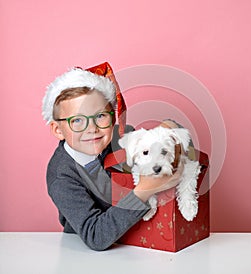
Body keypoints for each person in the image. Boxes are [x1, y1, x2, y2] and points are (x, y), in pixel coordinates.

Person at [42, 62, 182, 251]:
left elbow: (161, 137)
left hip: (139, 239)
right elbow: (95, 236)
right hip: (84, 253)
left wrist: (169, 127)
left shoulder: (121, 139)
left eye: (100, 116)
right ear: (58, 129)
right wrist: (143, 191)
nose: (92, 129)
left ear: (113, 117)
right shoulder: (62, 175)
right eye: (77, 120)